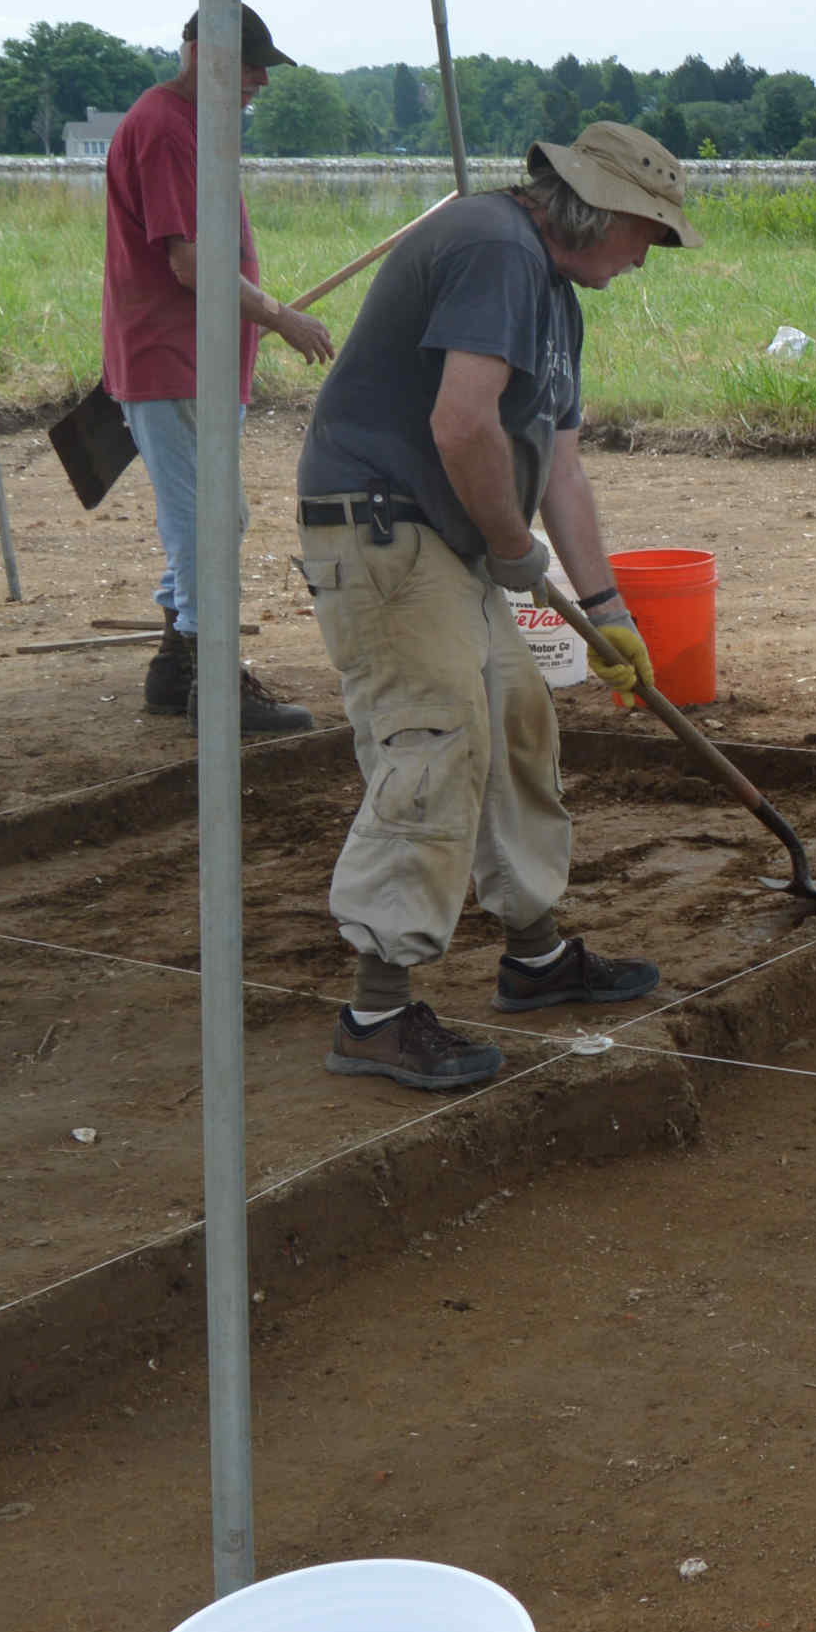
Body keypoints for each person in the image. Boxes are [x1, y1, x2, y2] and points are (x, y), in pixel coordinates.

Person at [291, 125, 687, 1092]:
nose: (647, 256)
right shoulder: (494, 248)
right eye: (648, 233)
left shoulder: (554, 295)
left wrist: (607, 608)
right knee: (437, 737)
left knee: (515, 717)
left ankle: (537, 956)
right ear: (604, 211)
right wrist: (513, 550)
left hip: (449, 534)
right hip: (384, 525)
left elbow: (559, 460)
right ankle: (374, 1011)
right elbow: (461, 422)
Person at [101, 3, 334, 732]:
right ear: (203, 53)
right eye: (251, 63)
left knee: (215, 519)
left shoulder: (196, 127)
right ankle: (213, 682)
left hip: (196, 363)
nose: (263, 79)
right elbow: (191, 262)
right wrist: (280, 316)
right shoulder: (167, 128)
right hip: (173, 363)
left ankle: (175, 668)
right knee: (205, 524)